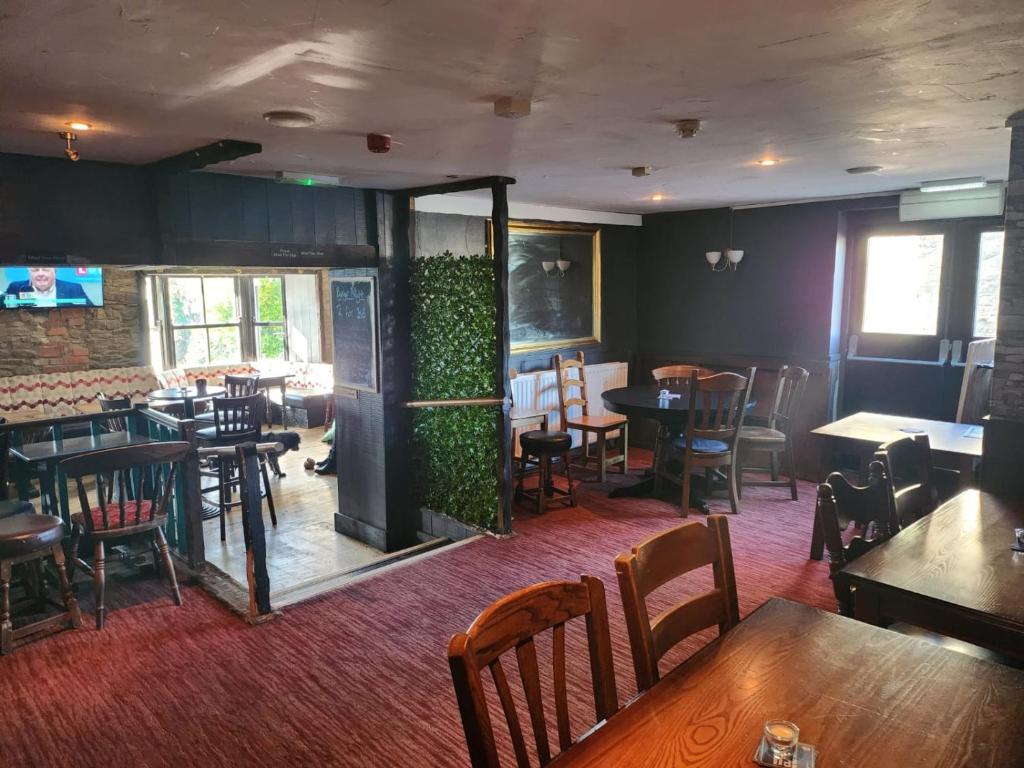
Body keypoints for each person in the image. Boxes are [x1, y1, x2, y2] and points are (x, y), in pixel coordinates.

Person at [4, 267, 94, 307]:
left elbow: (90, 311)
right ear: (29, 273)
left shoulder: (74, 288)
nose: (40, 274)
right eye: (35, 270)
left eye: (46, 270)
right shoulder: (15, 287)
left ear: (55, 272)